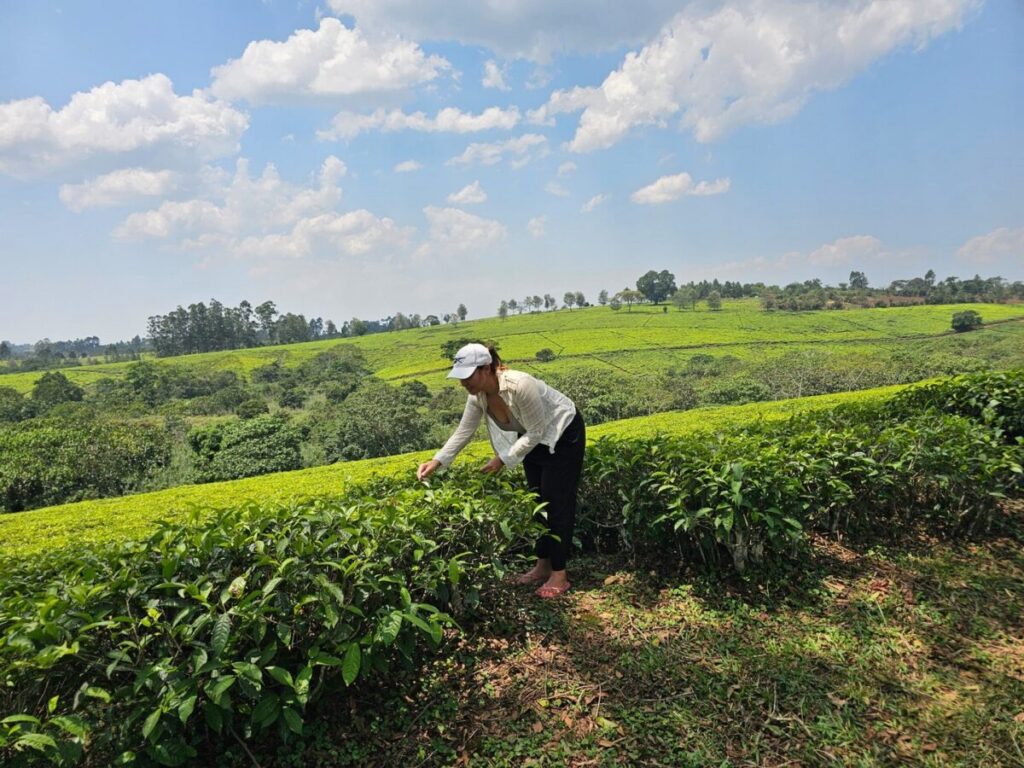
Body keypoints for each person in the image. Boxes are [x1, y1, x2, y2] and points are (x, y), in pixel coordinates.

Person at [417, 342, 585, 599]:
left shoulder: (520, 385)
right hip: (531, 439)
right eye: (460, 377)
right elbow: (464, 431)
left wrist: (502, 459)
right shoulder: (477, 397)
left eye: (467, 376)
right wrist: (437, 461)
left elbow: (537, 431)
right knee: (537, 501)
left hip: (562, 434)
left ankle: (559, 575)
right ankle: (542, 565)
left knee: (556, 503)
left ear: (486, 369)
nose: (463, 383)